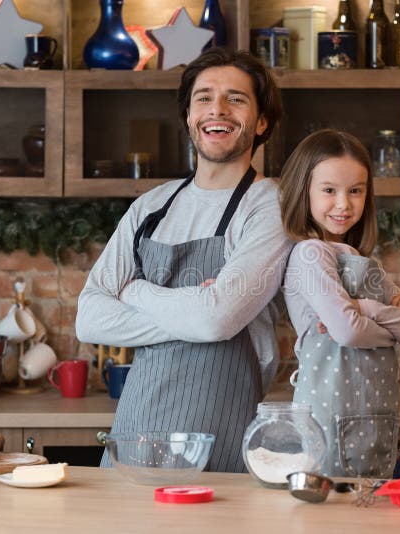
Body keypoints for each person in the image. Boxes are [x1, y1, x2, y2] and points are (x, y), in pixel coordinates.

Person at [75, 48, 288, 473]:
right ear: (189, 115)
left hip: (219, 432)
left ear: (261, 122)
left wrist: (136, 291)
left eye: (236, 98)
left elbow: (217, 321)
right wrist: (195, 311)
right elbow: (89, 319)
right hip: (134, 429)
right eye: (204, 97)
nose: (218, 109)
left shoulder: (271, 205)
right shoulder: (151, 206)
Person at [279, 129, 400, 478]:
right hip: (326, 424)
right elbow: (347, 332)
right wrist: (392, 325)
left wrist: (365, 309)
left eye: (355, 191)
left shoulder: (364, 262)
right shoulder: (310, 254)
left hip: (376, 416)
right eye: (329, 190)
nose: (344, 204)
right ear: (305, 191)